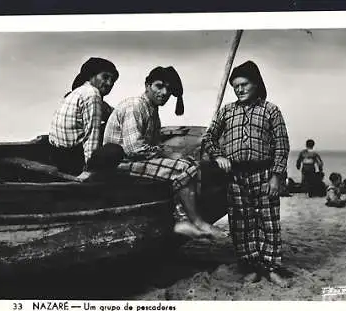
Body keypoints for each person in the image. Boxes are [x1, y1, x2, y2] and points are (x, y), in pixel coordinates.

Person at [102, 66, 223, 240]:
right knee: (183, 168)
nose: (164, 92)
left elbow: (152, 144)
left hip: (134, 160)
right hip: (119, 163)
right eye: (159, 86)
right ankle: (195, 221)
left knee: (190, 164)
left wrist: (170, 154)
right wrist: (168, 155)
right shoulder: (135, 106)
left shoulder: (152, 111)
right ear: (147, 85)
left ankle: (182, 218)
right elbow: (134, 149)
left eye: (168, 89)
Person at [202, 60, 290, 287]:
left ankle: (271, 268)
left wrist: (276, 176)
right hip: (235, 177)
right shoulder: (227, 111)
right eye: (235, 86)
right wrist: (218, 156)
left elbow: (282, 144)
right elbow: (209, 138)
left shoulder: (270, 110)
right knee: (241, 224)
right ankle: (250, 266)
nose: (239, 89)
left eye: (244, 84)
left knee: (268, 222)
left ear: (256, 84)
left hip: (264, 173)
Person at [49, 57, 119, 177]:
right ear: (91, 76)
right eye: (105, 77)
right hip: (73, 160)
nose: (109, 83)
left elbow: (110, 112)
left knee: (108, 124)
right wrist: (90, 170)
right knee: (115, 149)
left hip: (55, 153)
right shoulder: (92, 94)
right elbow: (92, 135)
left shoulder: (79, 91)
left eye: (112, 80)